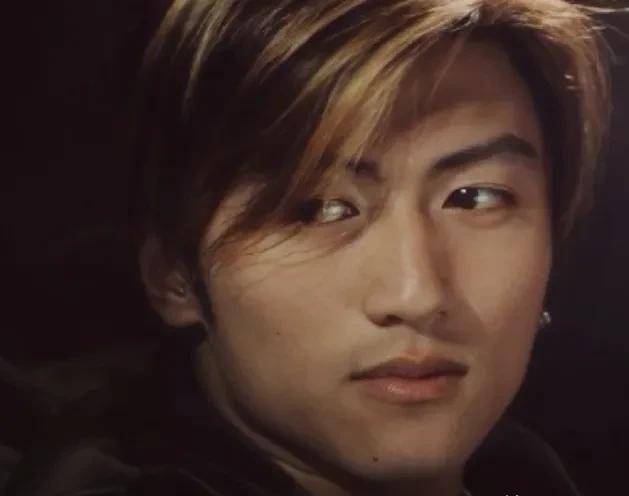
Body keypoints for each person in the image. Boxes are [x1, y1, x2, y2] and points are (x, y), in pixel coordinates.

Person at [3, 0, 612, 495]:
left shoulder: (523, 464)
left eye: (475, 198)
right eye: (316, 209)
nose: (417, 294)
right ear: (174, 275)